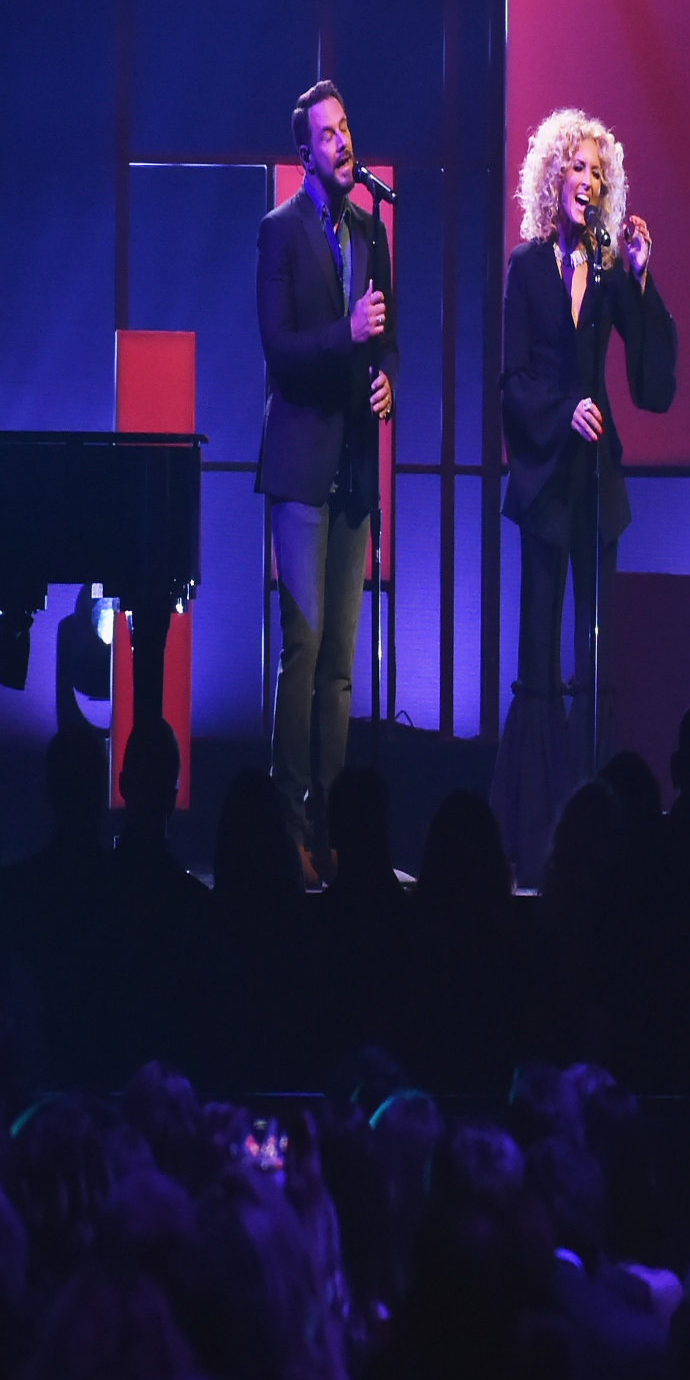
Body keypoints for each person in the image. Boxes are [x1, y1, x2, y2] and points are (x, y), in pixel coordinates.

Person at [490, 108, 676, 880]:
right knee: (539, 658)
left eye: (600, 173)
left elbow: (652, 381)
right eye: (579, 168)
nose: (590, 182)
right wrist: (560, 409)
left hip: (597, 486)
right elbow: (511, 384)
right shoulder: (526, 268)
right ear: (552, 176)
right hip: (543, 483)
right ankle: (535, 830)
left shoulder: (605, 274)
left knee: (595, 658)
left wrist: (638, 275)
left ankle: (600, 828)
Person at [255, 81, 397, 880]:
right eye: (328, 134)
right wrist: (343, 336)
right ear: (305, 152)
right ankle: (286, 833)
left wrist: (388, 382)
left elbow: (391, 343)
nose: (344, 142)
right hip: (300, 463)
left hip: (354, 470)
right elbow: (277, 349)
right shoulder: (281, 232)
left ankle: (334, 832)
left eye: (347, 127)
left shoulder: (373, 234)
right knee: (302, 651)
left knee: (343, 660)